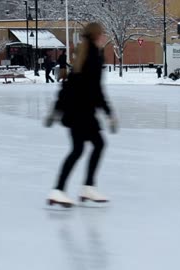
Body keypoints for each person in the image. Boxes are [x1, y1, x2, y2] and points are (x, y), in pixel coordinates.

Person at [44, 22, 118, 207]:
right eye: (102, 34)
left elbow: (69, 85)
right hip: (82, 113)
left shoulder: (84, 54)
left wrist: (56, 110)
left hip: (76, 111)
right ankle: (74, 188)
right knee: (95, 145)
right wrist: (109, 113)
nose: (104, 37)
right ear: (96, 36)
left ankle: (67, 189)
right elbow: (95, 89)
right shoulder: (93, 55)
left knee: (80, 149)